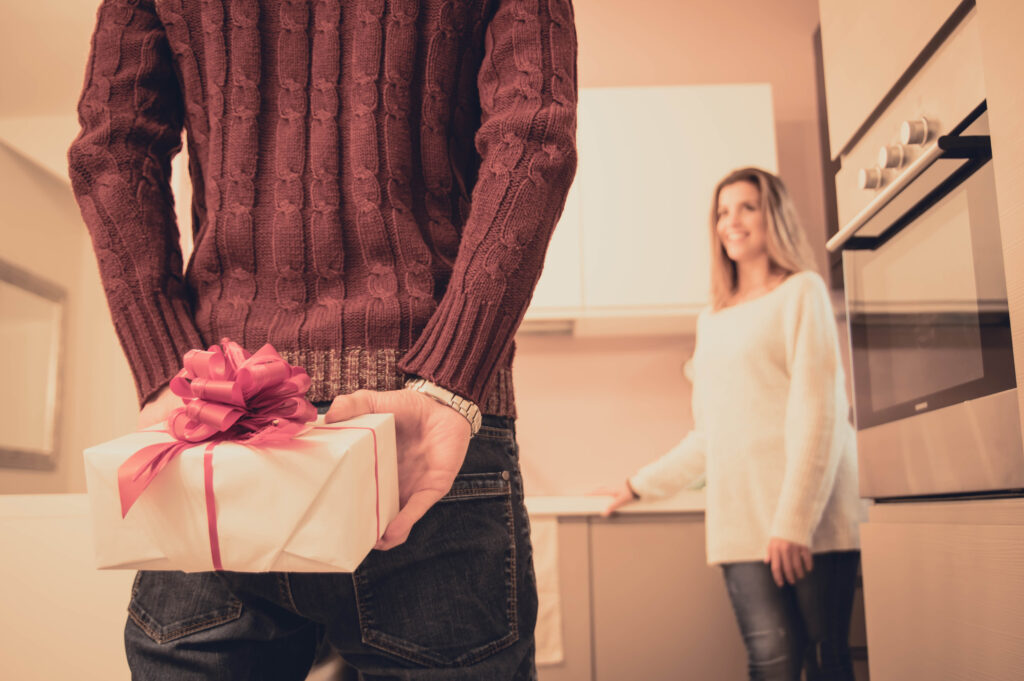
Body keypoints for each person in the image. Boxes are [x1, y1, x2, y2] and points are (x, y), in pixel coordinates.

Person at [68, 1, 577, 679]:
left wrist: (169, 367)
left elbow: (112, 142)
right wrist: (452, 377)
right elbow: (534, 135)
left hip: (226, 421)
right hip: (419, 429)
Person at [601, 167, 863, 681]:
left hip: (812, 519)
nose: (732, 221)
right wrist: (636, 485)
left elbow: (820, 414)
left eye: (747, 206)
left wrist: (793, 523)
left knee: (826, 662)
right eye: (723, 211)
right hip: (741, 519)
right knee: (770, 663)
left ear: (774, 215)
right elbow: (709, 435)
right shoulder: (712, 320)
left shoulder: (802, 292)